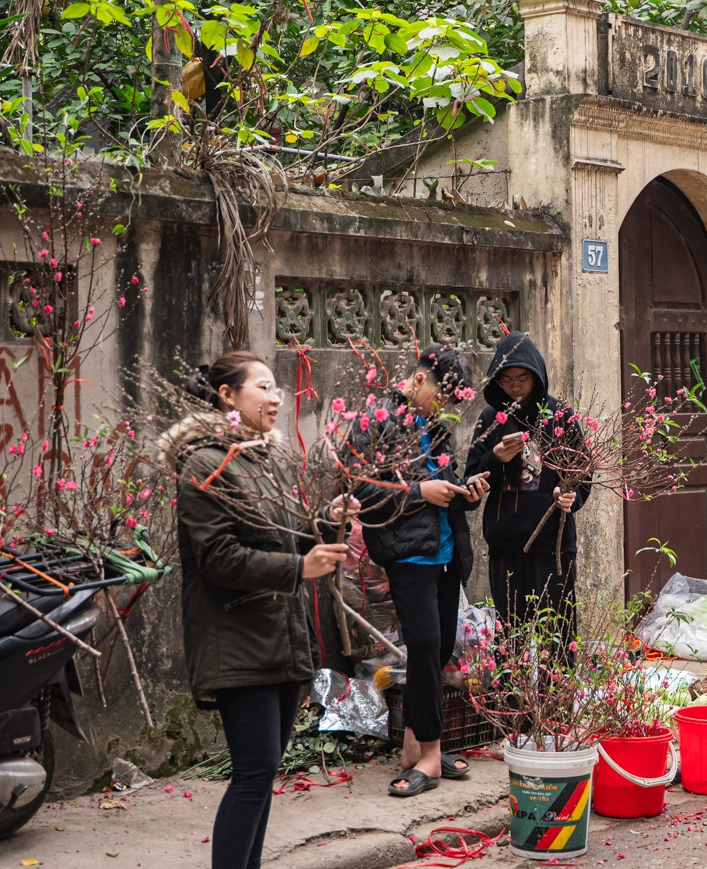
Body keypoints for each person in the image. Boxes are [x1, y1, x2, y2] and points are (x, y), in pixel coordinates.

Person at [167, 352, 352, 869]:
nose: (276, 398)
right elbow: (218, 557)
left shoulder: (264, 459)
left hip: (280, 633)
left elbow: (282, 535)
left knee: (262, 772)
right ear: (228, 396)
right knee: (254, 771)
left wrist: (324, 518)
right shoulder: (207, 464)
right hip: (237, 636)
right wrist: (299, 569)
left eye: (277, 389)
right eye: (264, 388)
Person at [341, 345, 487, 798]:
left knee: (439, 647)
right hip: (408, 556)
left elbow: (447, 481)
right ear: (420, 380)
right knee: (423, 646)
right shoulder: (377, 421)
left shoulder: (436, 428)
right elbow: (361, 489)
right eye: (442, 397)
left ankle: (414, 745)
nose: (444, 408)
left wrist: (468, 492)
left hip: (446, 552)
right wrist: (421, 491)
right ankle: (429, 756)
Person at [464, 332, 590, 633]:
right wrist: (495, 457)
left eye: (522, 378)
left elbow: (582, 471)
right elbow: (471, 481)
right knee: (511, 637)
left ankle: (557, 684)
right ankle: (512, 685)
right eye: (507, 381)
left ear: (537, 376)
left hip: (553, 544)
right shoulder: (490, 418)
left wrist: (569, 497)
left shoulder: (560, 417)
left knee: (557, 637)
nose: (515, 387)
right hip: (506, 543)